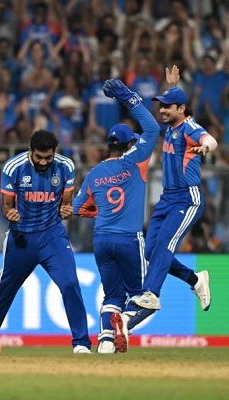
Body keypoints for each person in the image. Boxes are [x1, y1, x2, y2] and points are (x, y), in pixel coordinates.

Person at [117, 66, 215, 351]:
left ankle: (151, 293)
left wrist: (205, 148)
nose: (161, 110)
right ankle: (195, 279)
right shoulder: (171, 127)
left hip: (187, 198)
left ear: (181, 109)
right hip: (167, 199)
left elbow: (209, 139)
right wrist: (172, 85)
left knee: (164, 247)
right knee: (151, 251)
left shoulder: (189, 127)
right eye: (160, 105)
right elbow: (173, 102)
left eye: (167, 106)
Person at [0, 129, 92, 354]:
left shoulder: (66, 166)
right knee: (4, 291)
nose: (43, 162)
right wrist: (10, 213)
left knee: (70, 284)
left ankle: (81, 343)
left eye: (48, 157)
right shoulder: (13, 167)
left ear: (54, 152)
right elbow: (6, 206)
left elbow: (65, 203)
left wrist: (67, 209)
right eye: (39, 157)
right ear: (30, 151)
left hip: (52, 236)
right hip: (21, 237)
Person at [72, 79, 160, 353]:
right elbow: (153, 128)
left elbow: (77, 208)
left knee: (111, 295)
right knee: (146, 297)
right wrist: (128, 97)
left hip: (102, 239)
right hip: (129, 239)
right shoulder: (136, 160)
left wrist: (98, 212)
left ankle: (106, 343)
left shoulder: (94, 173)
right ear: (131, 143)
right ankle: (124, 321)